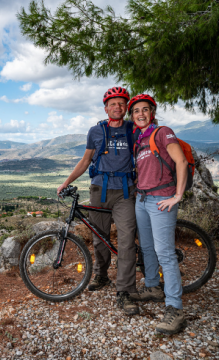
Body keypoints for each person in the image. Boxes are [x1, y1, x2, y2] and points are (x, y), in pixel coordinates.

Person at [57, 86, 139, 316]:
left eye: (122, 104)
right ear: (106, 108)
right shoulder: (95, 131)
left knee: (126, 241)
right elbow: (85, 161)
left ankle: (125, 290)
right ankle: (101, 275)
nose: (118, 107)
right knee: (99, 238)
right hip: (99, 190)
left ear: (126, 108)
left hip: (125, 192)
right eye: (113, 104)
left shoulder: (133, 129)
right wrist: (66, 181)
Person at [128, 94, 188, 334]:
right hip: (141, 200)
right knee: (147, 247)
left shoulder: (163, 132)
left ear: (152, 112)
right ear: (132, 116)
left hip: (161, 200)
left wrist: (177, 196)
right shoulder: (139, 139)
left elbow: (181, 162)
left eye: (145, 110)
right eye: (136, 111)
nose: (140, 114)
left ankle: (175, 308)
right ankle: (152, 286)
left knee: (165, 253)